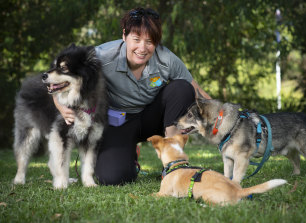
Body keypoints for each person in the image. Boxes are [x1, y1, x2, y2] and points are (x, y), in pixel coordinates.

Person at [54, 7, 211, 185]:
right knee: (113, 178)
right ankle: (128, 154)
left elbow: (197, 91)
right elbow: (57, 77)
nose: (142, 48)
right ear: (124, 35)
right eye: (136, 39)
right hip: (117, 122)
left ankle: (173, 164)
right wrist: (61, 107)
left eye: (150, 42)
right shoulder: (101, 55)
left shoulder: (166, 59)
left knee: (182, 89)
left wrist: (221, 116)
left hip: (152, 117)